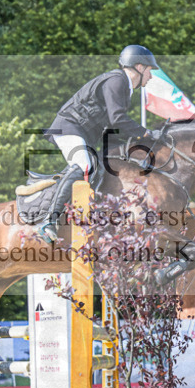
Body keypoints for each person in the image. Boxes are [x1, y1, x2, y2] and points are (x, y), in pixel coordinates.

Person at [37, 45, 162, 243]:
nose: (151, 76)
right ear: (139, 67)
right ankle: (48, 222)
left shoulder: (123, 87)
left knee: (103, 166)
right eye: (149, 71)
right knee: (84, 166)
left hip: (83, 133)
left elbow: (110, 130)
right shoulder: (117, 81)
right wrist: (145, 133)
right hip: (68, 127)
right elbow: (117, 119)